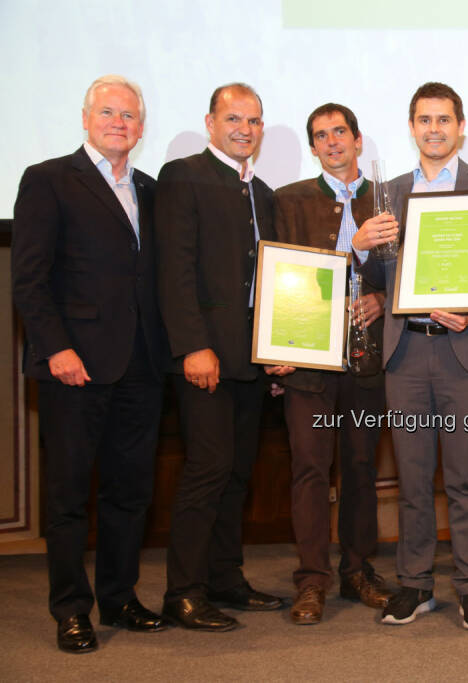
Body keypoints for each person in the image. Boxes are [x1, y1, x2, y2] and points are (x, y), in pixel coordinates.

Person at [12, 74, 169, 653]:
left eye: (128, 116)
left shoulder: (152, 191)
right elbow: (28, 277)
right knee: (69, 495)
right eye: (107, 112)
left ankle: (121, 598)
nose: (118, 123)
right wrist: (56, 347)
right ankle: (71, 609)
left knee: (130, 492)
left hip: (141, 364)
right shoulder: (49, 179)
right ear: (85, 118)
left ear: (141, 128)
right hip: (74, 366)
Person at [359, 82, 468, 630]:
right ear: (411, 127)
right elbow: (379, 277)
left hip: (465, 352)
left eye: (443, 119)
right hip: (405, 354)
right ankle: (416, 584)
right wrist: (362, 247)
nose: (434, 129)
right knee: (413, 479)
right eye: (424, 120)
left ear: (460, 126)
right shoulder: (390, 193)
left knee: (467, 479)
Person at [155, 82, 283, 631]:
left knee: (236, 474)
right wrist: (192, 344)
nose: (244, 129)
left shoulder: (264, 194)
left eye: (254, 121)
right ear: (210, 122)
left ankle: (226, 579)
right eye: (234, 118)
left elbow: (275, 284)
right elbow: (175, 269)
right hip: (205, 356)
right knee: (207, 471)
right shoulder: (184, 176)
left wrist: (278, 352)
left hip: (251, 360)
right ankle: (183, 591)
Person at [269, 103, 395, 625]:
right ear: (313, 147)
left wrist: (384, 300)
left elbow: (409, 270)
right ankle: (312, 579)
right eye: (320, 136)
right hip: (308, 364)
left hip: (368, 360)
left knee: (362, 467)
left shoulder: (387, 198)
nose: (332, 142)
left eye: (340, 132)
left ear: (358, 140)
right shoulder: (289, 200)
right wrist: (352, 247)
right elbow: (280, 276)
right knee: (310, 469)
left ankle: (358, 569)